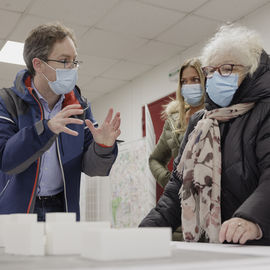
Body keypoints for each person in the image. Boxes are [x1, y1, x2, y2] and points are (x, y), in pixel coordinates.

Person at [140, 25, 270, 245]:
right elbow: (176, 191)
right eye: (211, 70)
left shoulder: (265, 110)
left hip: (257, 245)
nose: (217, 77)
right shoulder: (200, 122)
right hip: (213, 245)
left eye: (227, 69)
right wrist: (144, 231)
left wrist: (250, 219)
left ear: (251, 71)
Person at [0, 23, 121, 222]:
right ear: (38, 64)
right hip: (17, 211)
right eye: (64, 61)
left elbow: (93, 169)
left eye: (74, 61)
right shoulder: (7, 102)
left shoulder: (79, 107)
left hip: (62, 210)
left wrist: (103, 147)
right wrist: (45, 130)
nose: (72, 68)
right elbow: (6, 160)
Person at [148, 58, 205, 240]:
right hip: (181, 210)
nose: (189, 85)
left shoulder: (219, 114)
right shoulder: (173, 122)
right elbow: (154, 159)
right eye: (184, 81)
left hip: (213, 204)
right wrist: (167, 180)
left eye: (195, 79)